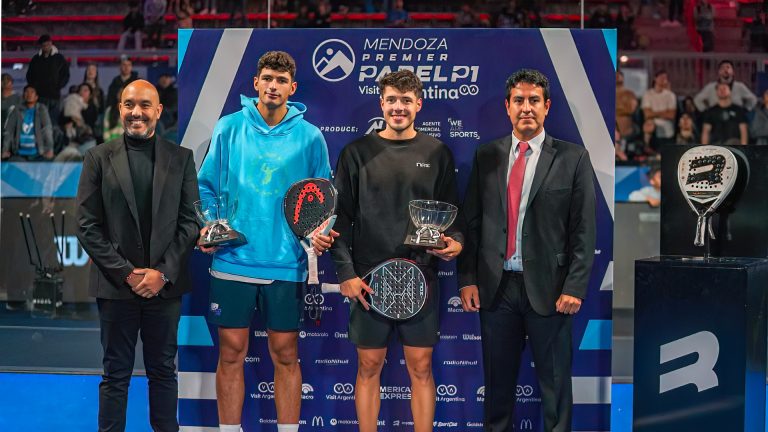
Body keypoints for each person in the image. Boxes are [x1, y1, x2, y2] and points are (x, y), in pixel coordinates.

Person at [322, 70, 463, 432]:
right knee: (368, 366)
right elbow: (339, 221)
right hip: (368, 282)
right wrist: (346, 274)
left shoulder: (437, 153)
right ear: (381, 103)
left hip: (422, 278)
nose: (398, 107)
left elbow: (452, 215)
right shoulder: (355, 153)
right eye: (392, 100)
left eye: (406, 100)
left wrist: (455, 242)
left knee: (421, 367)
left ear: (419, 104)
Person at [197, 51, 331, 432]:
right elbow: (206, 188)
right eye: (267, 78)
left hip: (287, 262)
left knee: (286, 355)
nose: (273, 86)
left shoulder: (311, 137)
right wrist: (211, 226)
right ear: (256, 83)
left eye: (281, 80)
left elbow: (324, 197)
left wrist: (320, 231)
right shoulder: (228, 127)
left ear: (293, 87)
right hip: (233, 260)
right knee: (231, 353)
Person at [458, 69, 596, 432]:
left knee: (555, 389)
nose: (526, 108)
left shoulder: (573, 158)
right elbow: (472, 223)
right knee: (497, 389)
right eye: (518, 100)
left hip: (551, 290)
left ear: (547, 106)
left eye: (534, 100)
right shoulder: (487, 156)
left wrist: (574, 286)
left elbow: (584, 230)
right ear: (507, 107)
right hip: (496, 288)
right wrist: (468, 278)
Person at [75, 79, 200, 432]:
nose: (136, 112)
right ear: (120, 109)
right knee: (115, 374)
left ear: (158, 110)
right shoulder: (97, 158)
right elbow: (86, 225)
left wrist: (162, 273)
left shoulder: (181, 158)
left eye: (145, 105)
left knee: (163, 372)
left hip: (165, 287)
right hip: (116, 288)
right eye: (129, 104)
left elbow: (190, 222)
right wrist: (128, 274)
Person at [2, 85, 54, 161]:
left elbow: (47, 129)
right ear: (23, 95)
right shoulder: (16, 110)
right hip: (18, 153)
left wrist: (50, 149)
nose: (29, 94)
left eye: (32, 92)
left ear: (36, 97)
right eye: (26, 92)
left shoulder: (41, 109)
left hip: (37, 153)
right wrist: (5, 149)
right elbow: (9, 131)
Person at [26, 34, 69, 123]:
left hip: (54, 96)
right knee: (40, 121)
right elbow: (29, 75)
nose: (46, 47)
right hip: (40, 96)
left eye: (47, 44)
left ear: (51, 44)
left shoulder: (59, 58)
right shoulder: (36, 59)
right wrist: (35, 87)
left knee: (53, 121)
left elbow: (65, 74)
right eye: (44, 45)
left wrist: (58, 86)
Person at [641, 70, 677, 145]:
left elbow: (671, 115)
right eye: (661, 77)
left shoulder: (670, 95)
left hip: (668, 132)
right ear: (655, 78)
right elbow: (647, 114)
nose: (663, 79)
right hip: (652, 131)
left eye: (665, 78)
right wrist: (664, 112)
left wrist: (653, 113)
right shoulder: (648, 94)